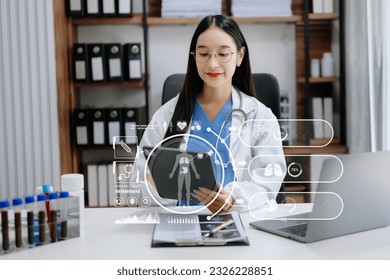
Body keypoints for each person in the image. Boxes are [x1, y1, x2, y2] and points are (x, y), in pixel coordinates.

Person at [138, 15, 286, 214]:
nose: (212, 64)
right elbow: (141, 173)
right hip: (180, 221)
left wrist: (234, 199)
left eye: (223, 54)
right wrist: (153, 185)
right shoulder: (168, 114)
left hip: (237, 220)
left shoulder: (259, 116)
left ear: (240, 56)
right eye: (204, 54)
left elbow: (269, 177)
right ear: (194, 57)